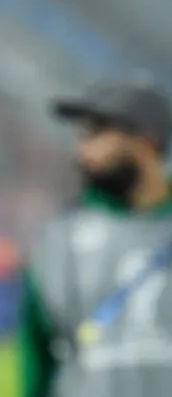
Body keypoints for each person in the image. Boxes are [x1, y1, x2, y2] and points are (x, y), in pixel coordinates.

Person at [20, 76, 172, 397]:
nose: (81, 152)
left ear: (145, 141)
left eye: (95, 135)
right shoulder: (58, 243)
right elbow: (40, 362)